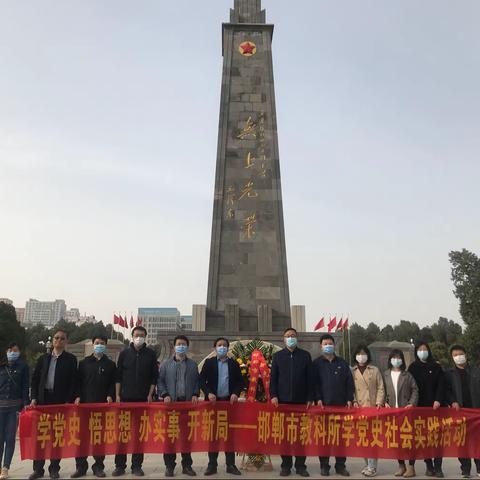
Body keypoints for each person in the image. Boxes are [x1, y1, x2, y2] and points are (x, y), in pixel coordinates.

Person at [29, 329, 78, 480]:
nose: (58, 340)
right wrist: (34, 397)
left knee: (57, 437)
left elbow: (73, 382)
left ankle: (54, 468)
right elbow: (36, 380)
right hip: (43, 402)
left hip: (59, 403)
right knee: (41, 437)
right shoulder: (43, 358)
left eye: (62, 338)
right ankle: (38, 469)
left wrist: (69, 400)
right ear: (52, 341)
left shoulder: (70, 359)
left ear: (66, 341)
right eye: (56, 338)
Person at [112, 326, 158, 477]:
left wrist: (150, 394)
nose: (139, 338)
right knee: (123, 434)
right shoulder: (124, 354)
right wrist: (117, 395)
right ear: (132, 336)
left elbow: (154, 377)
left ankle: (137, 466)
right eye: (137, 335)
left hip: (142, 401)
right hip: (125, 400)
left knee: (139, 435)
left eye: (142, 335)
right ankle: (120, 465)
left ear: (145, 337)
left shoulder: (151, 354)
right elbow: (118, 376)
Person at [71, 335, 116, 479]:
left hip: (102, 407)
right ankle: (80, 467)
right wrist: (77, 396)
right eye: (97, 343)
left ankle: (98, 467)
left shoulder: (110, 364)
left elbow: (112, 383)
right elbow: (77, 382)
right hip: (84, 406)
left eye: (102, 343)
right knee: (81, 437)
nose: (99, 345)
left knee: (99, 438)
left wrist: (110, 395)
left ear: (106, 346)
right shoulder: (84, 363)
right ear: (92, 344)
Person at [270, 327, 313, 478]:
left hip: (301, 403)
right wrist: (273, 395)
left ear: (297, 338)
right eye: (287, 336)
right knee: (285, 436)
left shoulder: (305, 356)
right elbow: (273, 379)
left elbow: (310, 379)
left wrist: (309, 397)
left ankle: (301, 466)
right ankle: (286, 465)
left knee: (301, 436)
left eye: (293, 335)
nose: (290, 338)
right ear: (283, 339)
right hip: (283, 403)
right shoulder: (278, 356)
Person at [200, 337, 243, 476]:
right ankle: (212, 465)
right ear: (215, 348)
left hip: (228, 404)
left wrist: (236, 393)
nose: (222, 347)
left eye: (224, 345)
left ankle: (230, 465)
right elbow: (201, 381)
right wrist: (208, 392)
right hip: (213, 404)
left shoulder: (234, 363)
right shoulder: (209, 363)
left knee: (229, 435)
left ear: (228, 348)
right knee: (213, 435)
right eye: (219, 345)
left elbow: (240, 381)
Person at [158, 335, 199, 477]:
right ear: (174, 346)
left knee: (186, 437)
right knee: (170, 438)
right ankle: (169, 466)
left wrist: (195, 393)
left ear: (187, 346)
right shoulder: (165, 364)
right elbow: (160, 382)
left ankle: (187, 465)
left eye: (183, 344)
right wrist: (164, 394)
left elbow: (196, 382)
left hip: (187, 406)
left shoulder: (193, 365)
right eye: (178, 344)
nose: (181, 346)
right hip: (171, 406)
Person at [313, 334, 354, 477]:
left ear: (334, 345)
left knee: (340, 439)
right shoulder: (316, 363)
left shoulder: (342, 363)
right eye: (325, 344)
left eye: (330, 343)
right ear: (321, 346)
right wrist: (317, 398)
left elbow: (349, 382)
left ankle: (340, 465)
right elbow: (314, 383)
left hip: (341, 407)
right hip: (323, 407)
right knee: (324, 438)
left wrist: (349, 398)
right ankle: (324, 466)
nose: (328, 346)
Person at [407, 341, 445, 478]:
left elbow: (442, 385)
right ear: (416, 352)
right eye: (420, 349)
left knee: (437, 438)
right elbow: (410, 387)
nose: (423, 351)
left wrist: (438, 400)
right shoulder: (413, 367)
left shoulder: (436, 366)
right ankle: (429, 466)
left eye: (425, 349)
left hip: (436, 408)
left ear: (428, 351)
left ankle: (438, 467)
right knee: (424, 439)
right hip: (419, 409)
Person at [445, 344, 480, 479]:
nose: (459, 357)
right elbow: (446, 391)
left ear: (465, 354)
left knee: (477, 441)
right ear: (452, 358)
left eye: (460, 354)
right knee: (462, 441)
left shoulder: (476, 370)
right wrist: (452, 401)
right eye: (455, 355)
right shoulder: (449, 374)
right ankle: (465, 469)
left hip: (476, 411)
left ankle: (479, 467)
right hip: (460, 412)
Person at [383, 349, 418, 478]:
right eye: (394, 357)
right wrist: (384, 402)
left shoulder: (407, 375)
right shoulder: (386, 374)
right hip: (392, 412)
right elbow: (383, 390)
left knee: (408, 440)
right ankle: (401, 465)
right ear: (390, 359)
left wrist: (412, 403)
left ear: (402, 360)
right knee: (396, 441)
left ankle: (411, 467)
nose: (396, 360)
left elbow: (415, 389)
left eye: (399, 358)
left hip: (406, 412)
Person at [351, 344, 384, 478]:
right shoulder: (352, 370)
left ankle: (372, 467)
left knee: (372, 438)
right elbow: (350, 388)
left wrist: (378, 402)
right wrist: (353, 401)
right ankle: (367, 464)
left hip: (372, 408)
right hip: (358, 408)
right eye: (359, 353)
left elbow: (380, 387)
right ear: (355, 356)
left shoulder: (374, 370)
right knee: (362, 438)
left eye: (364, 353)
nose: (361, 356)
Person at [0, 343, 29, 480]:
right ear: (6, 351)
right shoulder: (2, 365)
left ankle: (6, 467)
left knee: (10, 438)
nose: (12, 352)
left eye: (15, 350)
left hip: (14, 408)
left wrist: (25, 404)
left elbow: (25, 386)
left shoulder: (23, 367)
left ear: (19, 352)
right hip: (0, 407)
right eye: (10, 350)